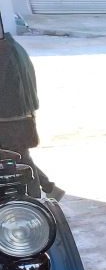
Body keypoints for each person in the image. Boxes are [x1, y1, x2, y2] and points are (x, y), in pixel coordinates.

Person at [0, 18, 61, 199]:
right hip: (19, 114)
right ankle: (50, 189)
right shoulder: (13, 47)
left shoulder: (4, 52)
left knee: (19, 158)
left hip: (10, 117)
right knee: (17, 156)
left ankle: (35, 197)